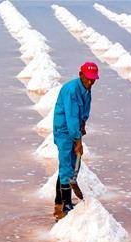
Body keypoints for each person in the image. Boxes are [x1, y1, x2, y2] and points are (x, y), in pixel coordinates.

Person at [52, 62, 98, 214]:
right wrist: (78, 142)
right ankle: (66, 205)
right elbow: (71, 118)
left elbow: (84, 110)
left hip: (74, 128)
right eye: (88, 79)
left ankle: (59, 199)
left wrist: (83, 123)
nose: (90, 82)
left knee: (69, 165)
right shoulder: (72, 90)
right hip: (64, 130)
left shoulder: (86, 89)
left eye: (93, 79)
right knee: (66, 165)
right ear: (80, 75)